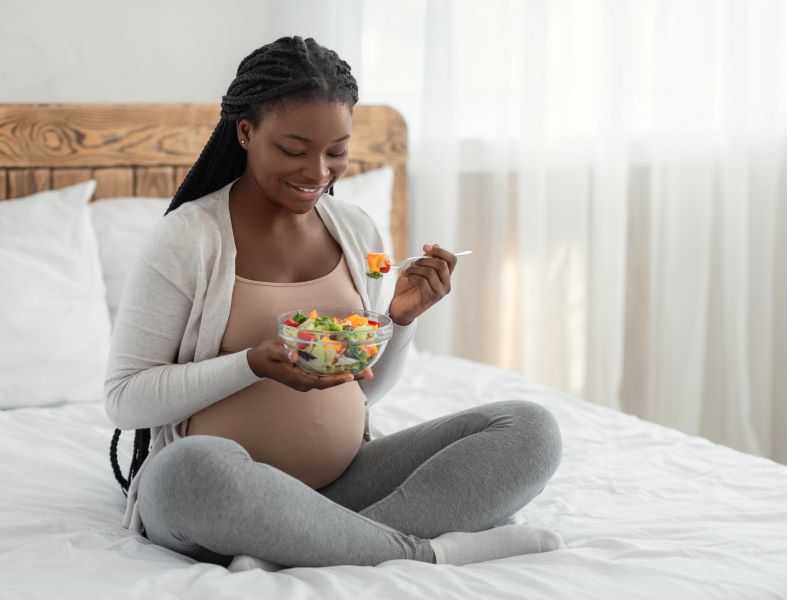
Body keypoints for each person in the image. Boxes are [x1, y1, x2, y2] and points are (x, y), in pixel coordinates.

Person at [106, 35, 564, 570]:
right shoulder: (187, 239)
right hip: (224, 492)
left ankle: (308, 543)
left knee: (529, 429)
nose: (318, 172)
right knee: (190, 471)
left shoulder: (356, 230)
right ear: (247, 132)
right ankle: (425, 552)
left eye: (337, 151)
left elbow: (367, 394)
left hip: (345, 485)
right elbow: (125, 400)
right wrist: (252, 364)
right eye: (294, 150)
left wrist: (399, 320)